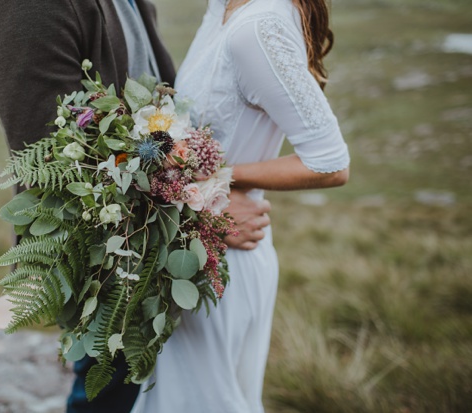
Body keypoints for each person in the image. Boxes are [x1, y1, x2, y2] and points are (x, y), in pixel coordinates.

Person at [0, 1, 272, 412]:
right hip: (103, 261)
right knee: (110, 396)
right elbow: (56, 165)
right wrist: (202, 208)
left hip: (154, 256)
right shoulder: (25, 7)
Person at [130, 0, 350, 412]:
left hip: (224, 263)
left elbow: (330, 163)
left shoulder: (257, 27)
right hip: (197, 251)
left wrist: (218, 178)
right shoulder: (221, 8)